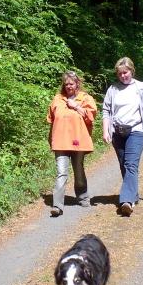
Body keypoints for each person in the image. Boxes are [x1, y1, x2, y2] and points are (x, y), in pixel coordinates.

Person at [102, 57, 143, 217]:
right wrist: (105, 131)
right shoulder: (113, 89)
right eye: (120, 73)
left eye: (126, 72)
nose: (123, 76)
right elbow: (106, 111)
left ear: (132, 71)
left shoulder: (141, 87)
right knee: (124, 165)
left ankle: (126, 201)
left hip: (136, 131)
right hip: (118, 132)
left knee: (131, 164)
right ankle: (132, 194)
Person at [47, 71, 97, 217]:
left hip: (78, 141)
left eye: (71, 83)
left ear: (77, 84)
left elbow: (90, 117)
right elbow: (51, 120)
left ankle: (83, 197)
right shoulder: (57, 99)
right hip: (60, 142)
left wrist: (75, 106)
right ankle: (57, 205)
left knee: (78, 169)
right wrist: (50, 138)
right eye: (66, 83)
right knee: (61, 172)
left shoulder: (85, 98)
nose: (69, 86)